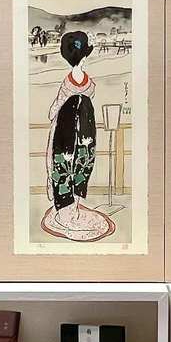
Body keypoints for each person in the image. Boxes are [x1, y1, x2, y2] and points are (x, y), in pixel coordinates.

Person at [43, 31, 114, 241]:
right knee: (81, 161)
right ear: (84, 56)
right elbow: (89, 94)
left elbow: (56, 105)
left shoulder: (68, 81)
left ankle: (66, 210)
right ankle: (71, 208)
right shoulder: (87, 81)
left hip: (68, 123)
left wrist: (52, 114)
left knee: (65, 162)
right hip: (84, 124)